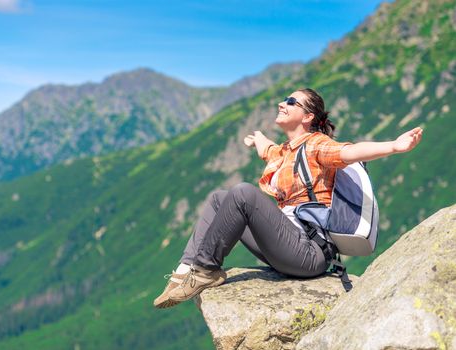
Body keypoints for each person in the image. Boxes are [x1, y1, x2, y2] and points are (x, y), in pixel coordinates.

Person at [153, 88, 423, 309]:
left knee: (243, 193)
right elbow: (269, 151)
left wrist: (394, 146)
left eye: (291, 102)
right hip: (285, 248)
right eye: (284, 99)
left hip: (308, 254)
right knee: (218, 198)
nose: (282, 103)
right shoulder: (285, 152)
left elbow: (349, 152)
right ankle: (183, 271)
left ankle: (205, 271)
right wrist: (258, 139)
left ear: (308, 116)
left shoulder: (317, 144)